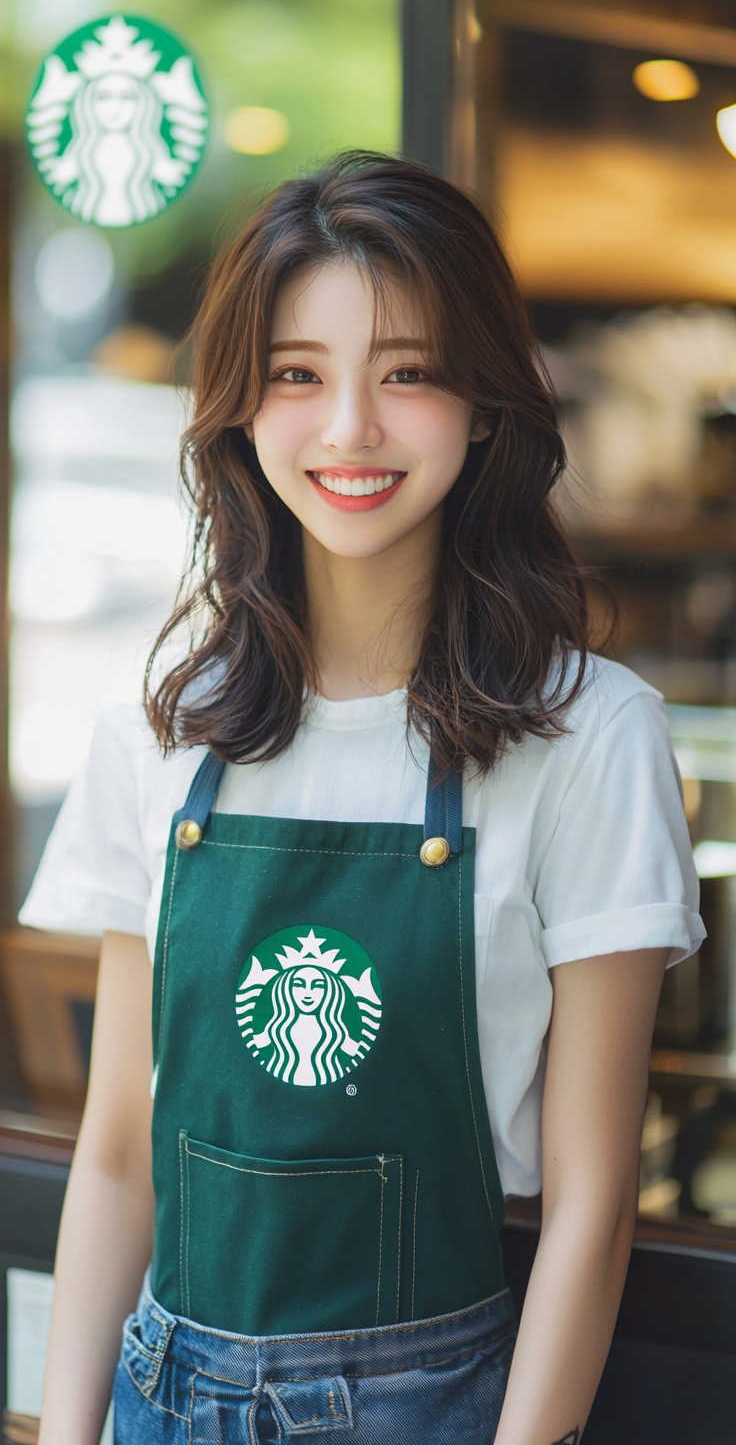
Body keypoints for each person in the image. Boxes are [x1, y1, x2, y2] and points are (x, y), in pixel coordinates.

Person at [23, 153, 702, 1445]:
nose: (348, 429)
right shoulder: (163, 721)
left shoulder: (589, 736)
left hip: (430, 1407)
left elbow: (594, 1200)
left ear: (488, 406)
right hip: (162, 1393)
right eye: (296, 374)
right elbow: (117, 1152)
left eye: (407, 372)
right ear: (236, 406)